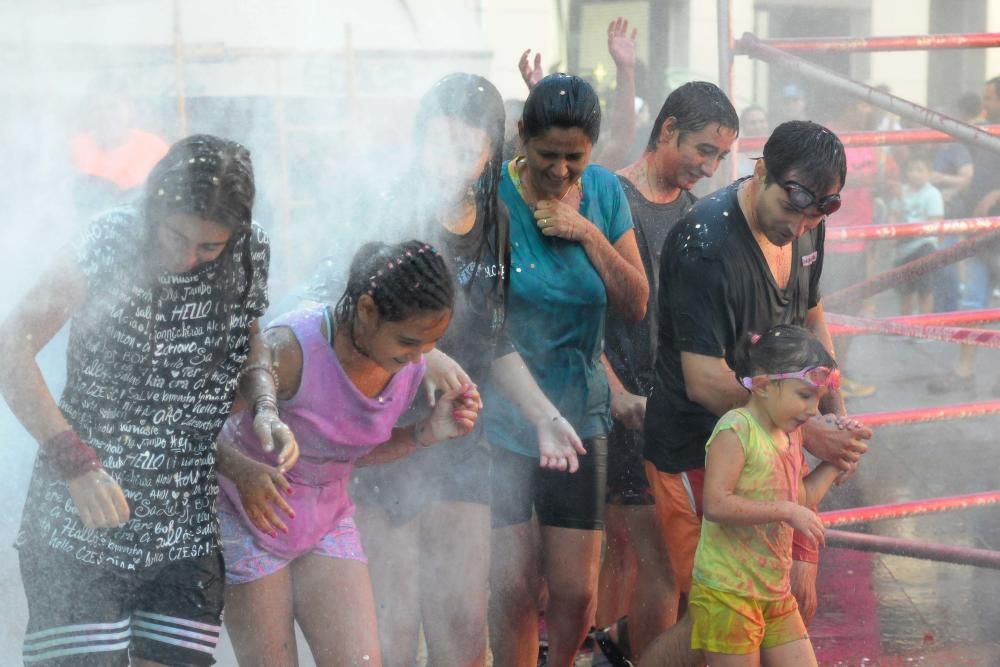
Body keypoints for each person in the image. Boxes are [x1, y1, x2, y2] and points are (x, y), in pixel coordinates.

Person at [304, 74, 584, 667]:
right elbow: (331, 310)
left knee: (461, 629)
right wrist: (425, 352)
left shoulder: (495, 222)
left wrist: (545, 415)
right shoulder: (382, 209)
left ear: (490, 151)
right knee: (393, 632)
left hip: (459, 436)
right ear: (416, 140)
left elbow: (493, 338)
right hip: (378, 437)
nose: (448, 162)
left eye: (466, 149)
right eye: (437, 145)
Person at [1, 134, 293, 666]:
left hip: (186, 526)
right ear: (157, 204)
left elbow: (250, 336)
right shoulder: (105, 242)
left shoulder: (251, 251)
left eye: (209, 247)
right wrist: (76, 464)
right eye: (177, 235)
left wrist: (266, 404)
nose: (188, 257)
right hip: (81, 521)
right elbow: (10, 348)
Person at [640, 121, 872, 667]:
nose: (800, 226)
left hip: (779, 437)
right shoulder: (706, 244)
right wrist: (810, 429)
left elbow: (810, 310)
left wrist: (834, 413)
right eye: (791, 211)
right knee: (718, 612)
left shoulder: (811, 221)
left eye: (813, 216)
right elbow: (702, 379)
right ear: (761, 171)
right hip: (699, 446)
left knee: (789, 593)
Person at [217, 239, 483, 667]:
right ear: (366, 310)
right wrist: (242, 470)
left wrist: (424, 434)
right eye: (409, 342)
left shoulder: (408, 365)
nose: (420, 358)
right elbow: (191, 426)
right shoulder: (289, 350)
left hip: (325, 517)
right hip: (248, 512)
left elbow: (346, 454)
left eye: (430, 345)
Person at [487, 73, 648, 667]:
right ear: (522, 137)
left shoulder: (604, 193)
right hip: (503, 415)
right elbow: (484, 319)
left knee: (577, 590)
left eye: (574, 160)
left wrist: (584, 231)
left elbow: (635, 301)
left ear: (595, 150)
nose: (559, 172)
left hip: (581, 410)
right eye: (546, 155)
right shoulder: (493, 197)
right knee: (512, 586)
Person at [595, 81, 739, 664]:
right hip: (620, 400)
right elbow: (581, 313)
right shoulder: (612, 199)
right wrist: (616, 393)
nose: (708, 168)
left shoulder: (693, 215)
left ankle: (612, 649)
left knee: (659, 561)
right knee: (645, 559)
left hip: (673, 407)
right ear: (668, 130)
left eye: (719, 158)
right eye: (702, 150)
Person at [692, 325, 858, 665]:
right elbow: (716, 504)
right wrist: (784, 511)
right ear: (765, 386)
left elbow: (801, 499)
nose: (814, 410)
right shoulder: (736, 429)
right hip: (728, 592)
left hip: (773, 590)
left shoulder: (789, 433)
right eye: (805, 395)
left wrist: (837, 463)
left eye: (818, 398)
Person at [929, 76, 1000, 394]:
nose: (984, 105)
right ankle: (964, 370)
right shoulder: (980, 133)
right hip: (979, 232)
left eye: (990, 98)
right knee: (973, 303)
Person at [889, 155, 944, 317]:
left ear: (929, 173)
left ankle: (923, 327)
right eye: (911, 170)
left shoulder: (933, 194)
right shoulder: (902, 192)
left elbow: (935, 223)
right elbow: (894, 216)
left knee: (924, 289)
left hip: (924, 245)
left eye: (920, 170)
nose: (915, 174)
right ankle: (905, 325)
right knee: (905, 290)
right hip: (903, 247)